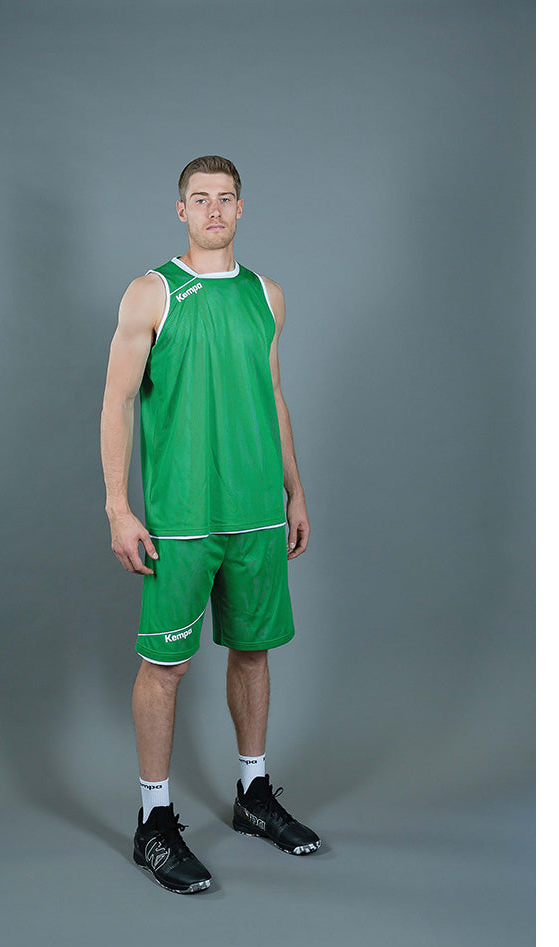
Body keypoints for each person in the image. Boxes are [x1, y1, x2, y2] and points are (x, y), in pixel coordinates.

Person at [100, 155, 320, 894]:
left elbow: (273, 394)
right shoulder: (152, 293)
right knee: (166, 667)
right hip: (182, 517)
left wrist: (294, 491)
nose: (214, 210)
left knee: (253, 652)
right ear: (181, 210)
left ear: (241, 208)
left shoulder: (267, 295)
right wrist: (118, 506)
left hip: (256, 512)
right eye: (201, 199)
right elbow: (116, 402)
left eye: (226, 198)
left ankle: (253, 795)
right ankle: (153, 821)